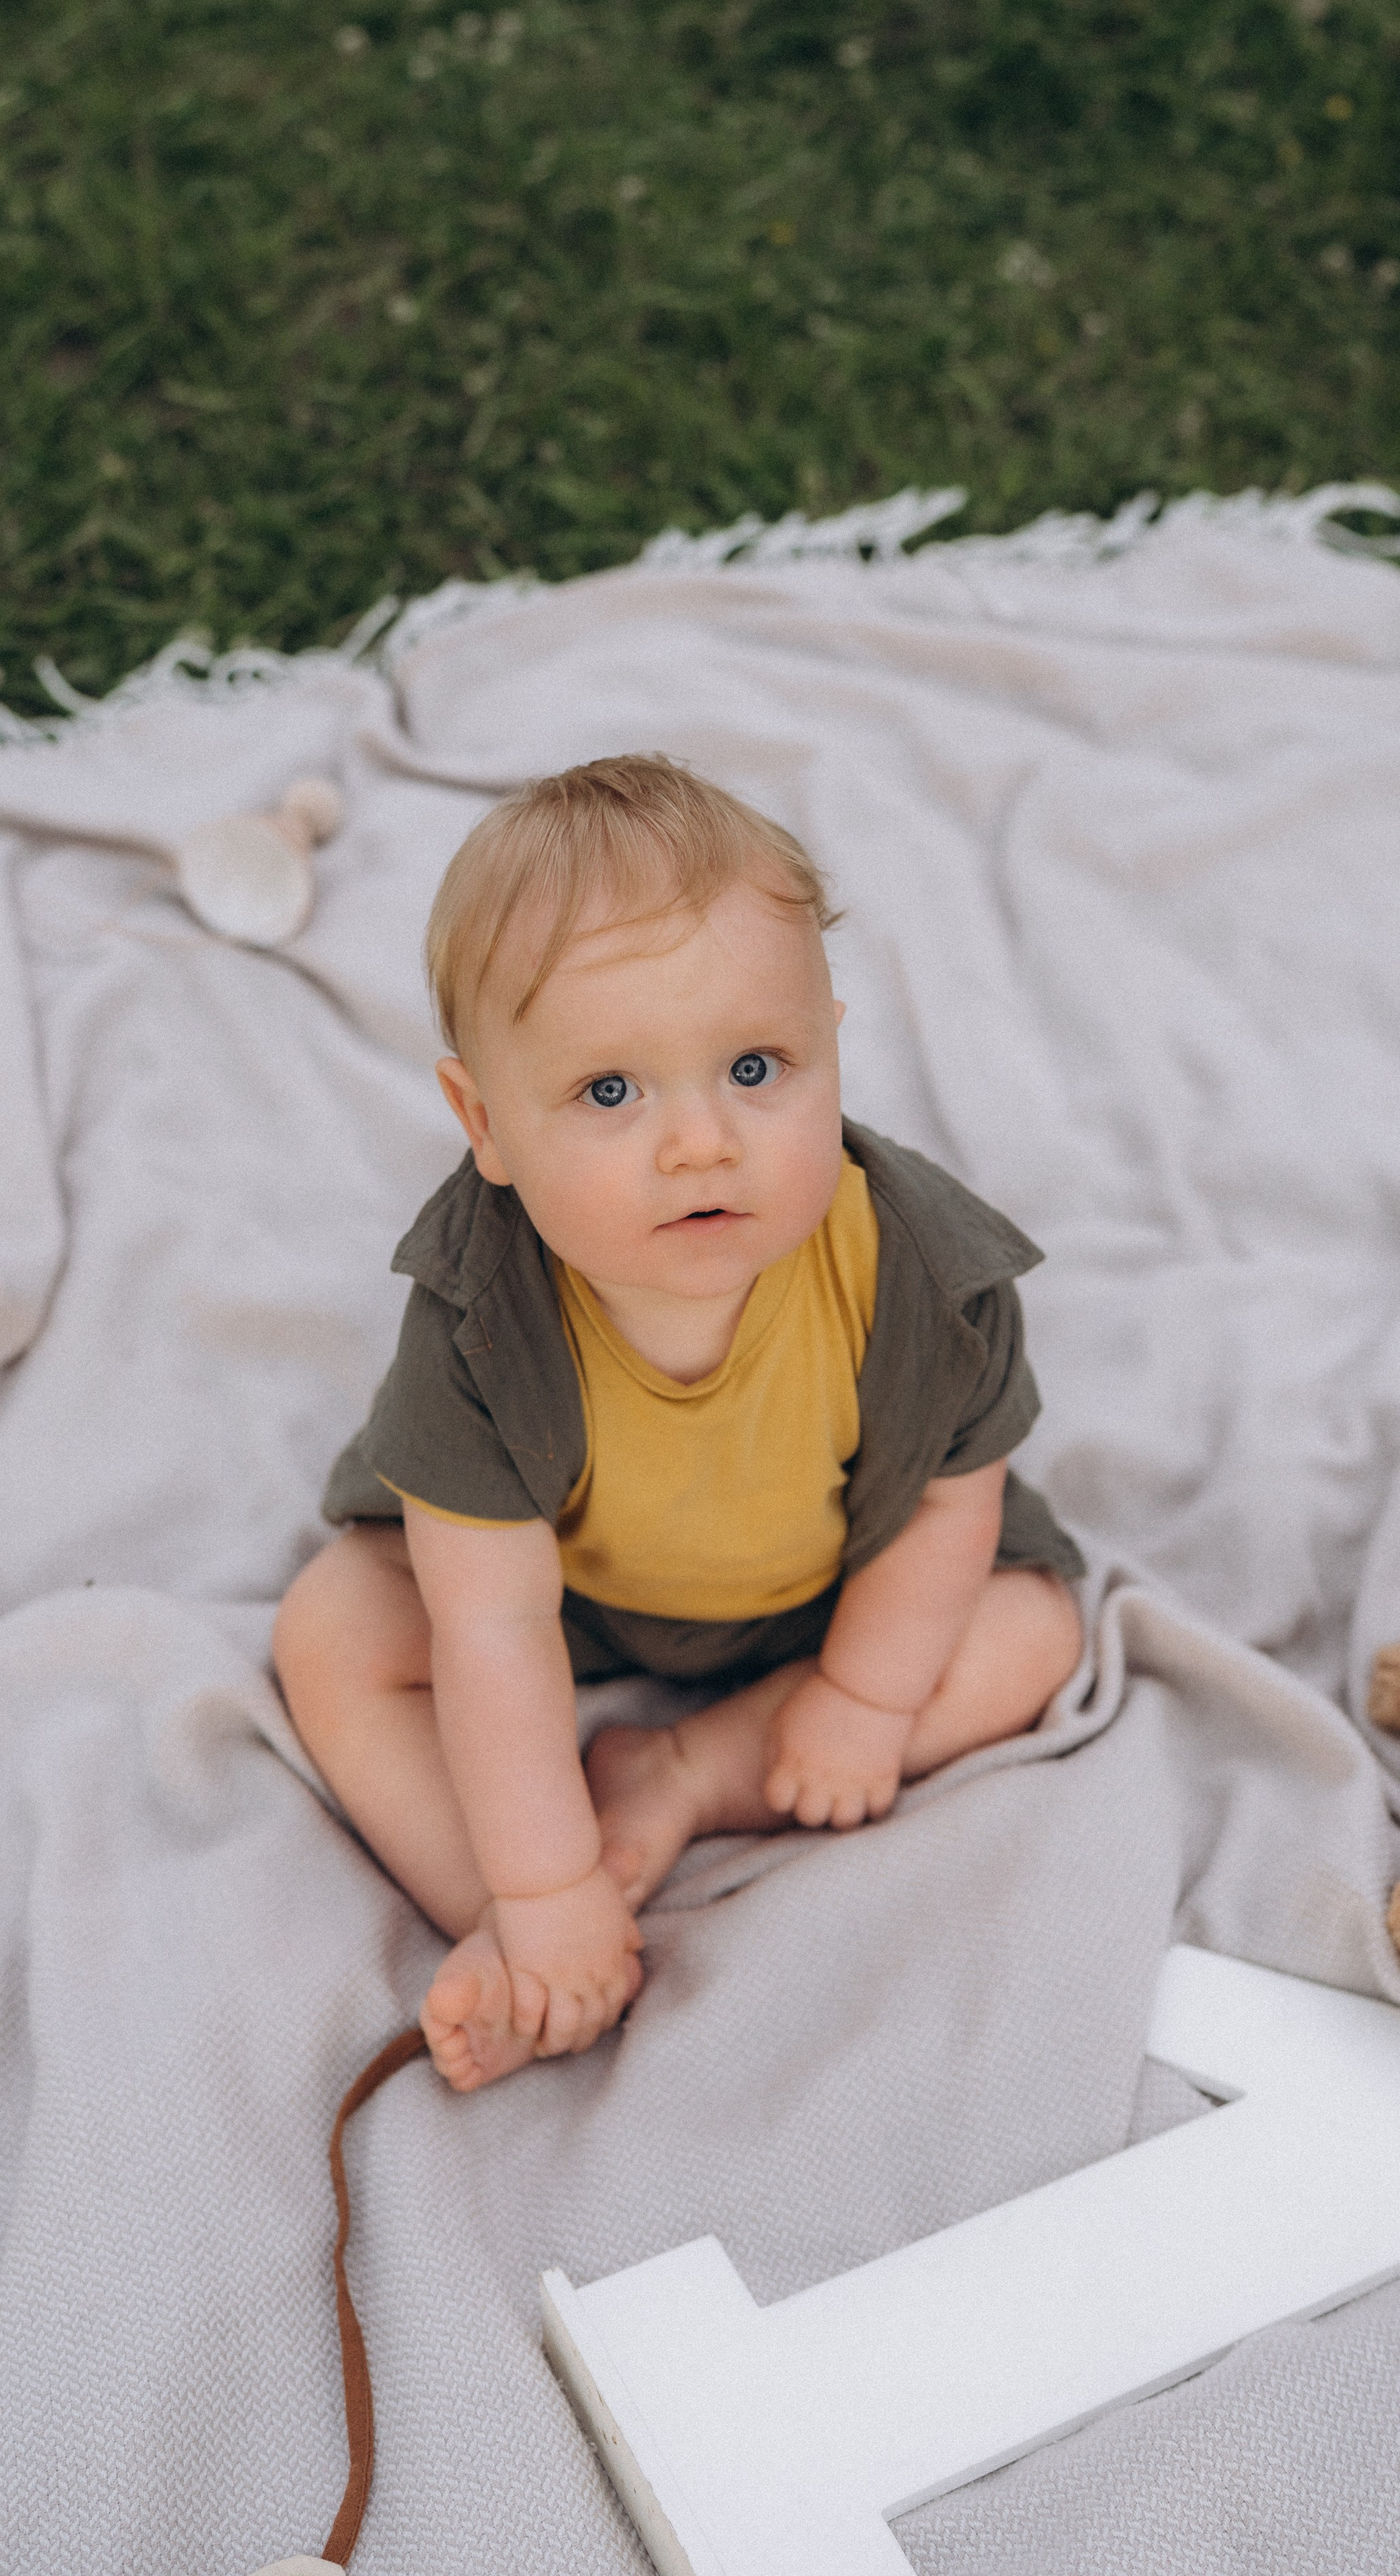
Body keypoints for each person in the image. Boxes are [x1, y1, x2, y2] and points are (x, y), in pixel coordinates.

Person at [273, 756, 1085, 2090]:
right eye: (609, 1094)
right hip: (569, 1594)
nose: (700, 1142)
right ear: (486, 1123)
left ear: (831, 1043)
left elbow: (952, 1500)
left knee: (1031, 1629)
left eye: (757, 1067)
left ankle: (687, 1777)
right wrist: (537, 1886)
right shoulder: (482, 1321)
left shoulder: (922, 1273)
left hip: (845, 1579)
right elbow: (491, 1622)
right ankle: (524, 1918)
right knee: (332, 1633)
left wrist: (864, 1696)